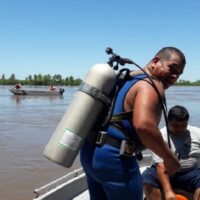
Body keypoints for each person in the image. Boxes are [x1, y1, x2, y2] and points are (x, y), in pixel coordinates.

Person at [80, 47, 186, 200]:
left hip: (90, 154)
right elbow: (144, 126)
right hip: (115, 159)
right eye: (172, 68)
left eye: (179, 73)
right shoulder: (151, 85)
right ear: (155, 61)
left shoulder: (128, 77)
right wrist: (170, 159)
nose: (174, 76)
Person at [142, 105, 200, 200]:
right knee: (147, 178)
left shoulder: (197, 133)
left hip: (190, 171)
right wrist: (168, 191)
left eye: (183, 125)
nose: (180, 129)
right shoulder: (159, 136)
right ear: (168, 122)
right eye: (176, 126)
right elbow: (160, 166)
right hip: (165, 171)